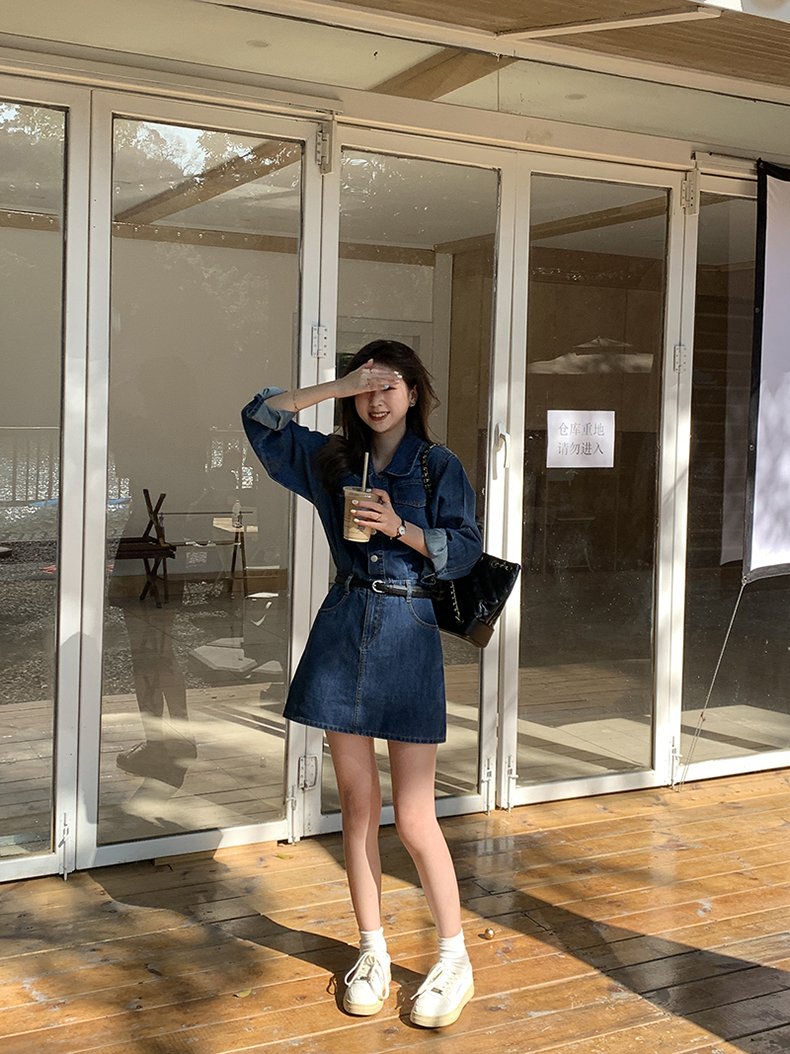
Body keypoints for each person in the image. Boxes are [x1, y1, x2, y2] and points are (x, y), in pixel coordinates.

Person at [242, 340, 482, 1029]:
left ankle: (454, 957)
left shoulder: (438, 465)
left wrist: (401, 527)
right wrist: (336, 386)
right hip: (345, 626)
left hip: (408, 630)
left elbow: (465, 549)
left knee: (414, 816)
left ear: (414, 393)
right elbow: (260, 418)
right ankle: (372, 951)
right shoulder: (334, 460)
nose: (378, 399)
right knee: (355, 806)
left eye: (390, 384)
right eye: (367, 387)